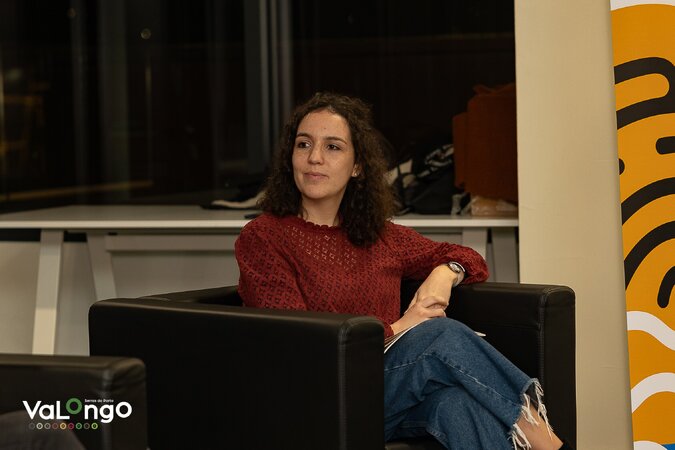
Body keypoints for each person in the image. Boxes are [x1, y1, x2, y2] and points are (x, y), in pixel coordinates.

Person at [235, 92, 570, 450]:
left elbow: (468, 257)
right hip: (316, 394)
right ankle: (550, 444)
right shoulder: (264, 237)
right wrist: (399, 328)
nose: (314, 157)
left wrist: (444, 274)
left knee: (456, 405)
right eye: (304, 144)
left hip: (381, 394)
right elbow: (296, 340)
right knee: (441, 336)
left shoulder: (380, 236)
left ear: (357, 166)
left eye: (332, 147)